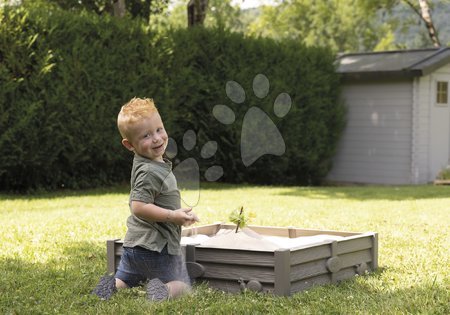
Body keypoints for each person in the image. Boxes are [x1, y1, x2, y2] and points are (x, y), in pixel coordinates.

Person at [93, 97, 199, 301]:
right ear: (129, 144)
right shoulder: (149, 171)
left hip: (134, 248)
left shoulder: (147, 163)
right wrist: (172, 215)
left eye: (159, 129)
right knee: (184, 284)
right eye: (146, 135)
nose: (157, 138)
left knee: (127, 279)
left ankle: (112, 285)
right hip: (156, 248)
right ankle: (164, 291)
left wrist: (177, 213)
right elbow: (138, 207)